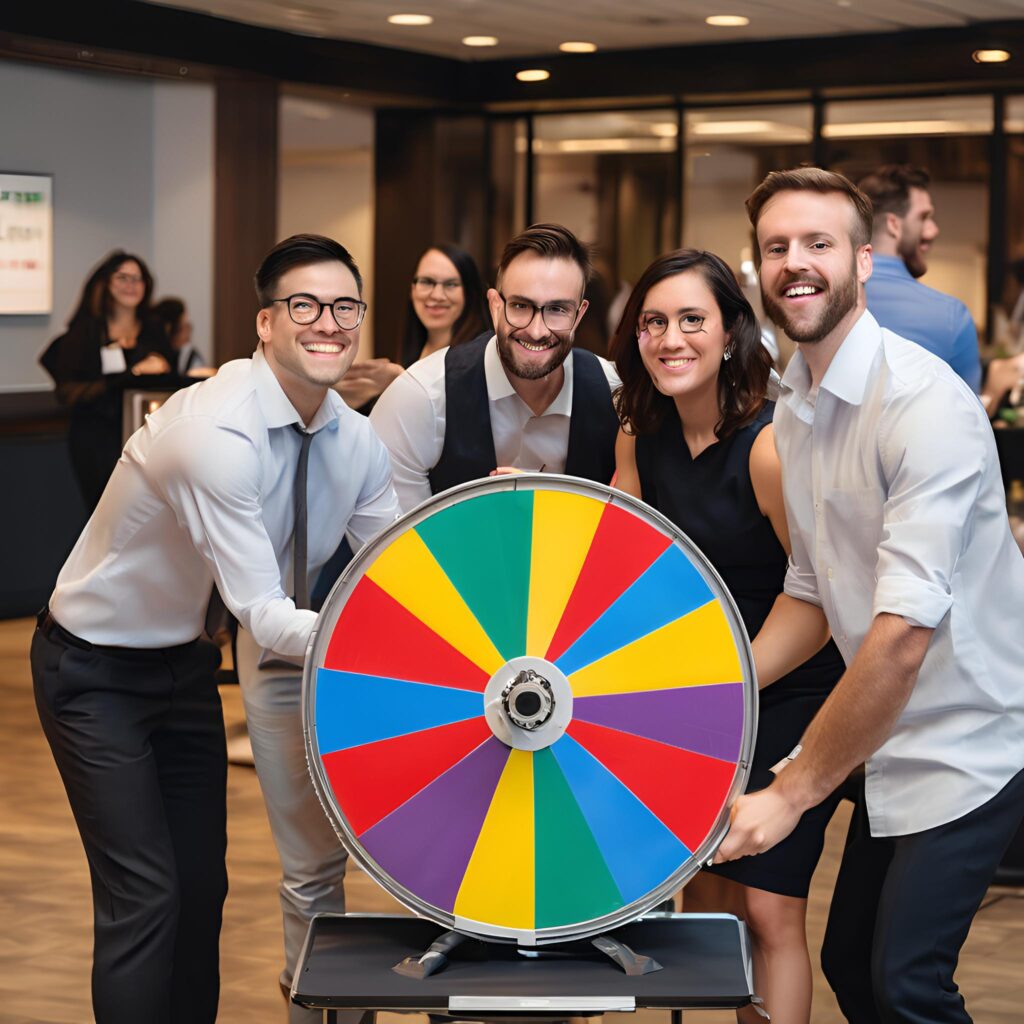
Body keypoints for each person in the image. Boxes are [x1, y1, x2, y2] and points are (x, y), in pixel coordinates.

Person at [30, 233, 399, 1024]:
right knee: (146, 894)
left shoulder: (357, 442)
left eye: (345, 306)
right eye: (304, 305)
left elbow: (396, 579)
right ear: (265, 324)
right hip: (92, 670)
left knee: (201, 887)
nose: (327, 322)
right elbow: (262, 614)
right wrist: (393, 650)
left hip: (185, 667)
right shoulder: (215, 436)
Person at [717, 167, 1024, 1024]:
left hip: (974, 741)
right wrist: (717, 678)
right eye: (777, 247)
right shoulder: (796, 409)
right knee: (855, 966)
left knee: (904, 985)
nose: (795, 263)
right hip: (890, 742)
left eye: (818, 243)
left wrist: (791, 790)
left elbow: (898, 637)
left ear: (864, 259)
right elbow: (813, 590)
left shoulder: (923, 404)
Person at [610, 248, 844, 1024]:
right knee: (704, 906)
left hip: (788, 686)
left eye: (690, 320)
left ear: (731, 331)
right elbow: (613, 569)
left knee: (770, 909)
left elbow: (813, 604)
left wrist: (727, 678)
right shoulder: (637, 440)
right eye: (653, 322)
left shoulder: (772, 446)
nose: (670, 339)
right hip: (698, 696)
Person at [370, 223, 620, 511]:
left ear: (579, 315)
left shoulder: (616, 395)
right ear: (495, 306)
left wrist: (545, 505)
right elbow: (395, 544)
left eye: (557, 310)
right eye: (520, 306)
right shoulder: (419, 399)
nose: (537, 331)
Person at [39, 251, 173, 510]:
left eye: (138, 278)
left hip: (147, 437)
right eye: (122, 277)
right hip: (96, 438)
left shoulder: (154, 328)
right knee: (106, 514)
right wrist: (131, 375)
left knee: (148, 516)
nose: (131, 285)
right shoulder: (85, 333)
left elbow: (171, 380)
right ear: (104, 284)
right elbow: (67, 392)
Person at [857, 164, 982, 392]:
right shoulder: (952, 316)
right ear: (894, 225)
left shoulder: (829, 302)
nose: (933, 230)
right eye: (923, 217)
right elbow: (968, 418)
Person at [151, 296, 213, 377]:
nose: (188, 330)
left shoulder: (188, 355)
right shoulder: (152, 354)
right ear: (169, 328)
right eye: (183, 325)